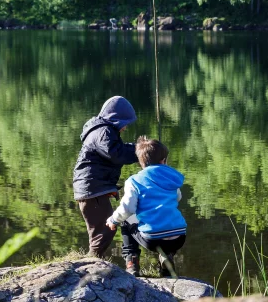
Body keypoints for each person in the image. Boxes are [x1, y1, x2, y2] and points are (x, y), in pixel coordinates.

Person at [105, 136, 186, 277]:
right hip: (179, 237)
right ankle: (167, 258)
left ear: (141, 162)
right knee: (169, 221)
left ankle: (132, 262)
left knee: (126, 219)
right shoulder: (172, 178)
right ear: (163, 160)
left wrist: (113, 220)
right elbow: (178, 198)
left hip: (152, 239)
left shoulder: (134, 181)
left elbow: (128, 209)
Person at [73, 96, 138, 257]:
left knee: (103, 229)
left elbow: (118, 149)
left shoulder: (103, 130)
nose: (125, 128)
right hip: (91, 187)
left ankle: (92, 262)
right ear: (115, 118)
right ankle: (91, 263)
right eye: (124, 123)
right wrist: (140, 151)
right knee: (105, 230)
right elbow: (116, 153)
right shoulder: (103, 132)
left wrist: (138, 147)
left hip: (92, 186)